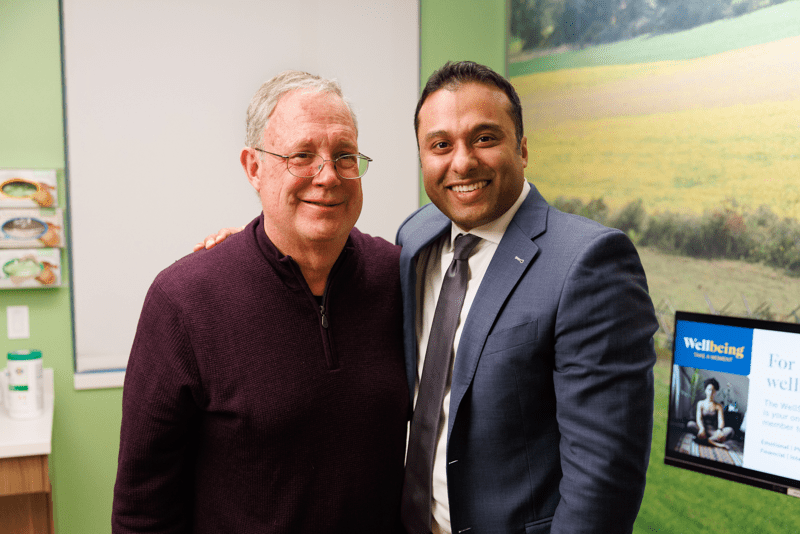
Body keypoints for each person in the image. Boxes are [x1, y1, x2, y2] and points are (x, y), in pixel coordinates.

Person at [201, 61, 659, 534]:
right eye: (441, 145)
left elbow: (604, 483)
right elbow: (329, 265)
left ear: (522, 148)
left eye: (484, 138)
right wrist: (255, 252)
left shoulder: (588, 263)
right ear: (423, 159)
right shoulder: (416, 239)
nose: (462, 162)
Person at [112, 71, 409, 533]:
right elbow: (143, 509)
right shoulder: (184, 301)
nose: (329, 176)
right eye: (302, 156)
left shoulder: (400, 278)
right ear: (254, 168)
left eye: (345, 156)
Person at [688, 377, 734, 448]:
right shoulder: (700, 403)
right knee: (690, 424)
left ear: (715, 392)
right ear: (705, 390)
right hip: (703, 430)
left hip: (714, 432)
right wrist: (701, 428)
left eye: (713, 390)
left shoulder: (718, 406)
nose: (711, 392)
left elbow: (721, 420)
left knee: (730, 430)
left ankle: (707, 441)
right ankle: (714, 443)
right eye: (709, 390)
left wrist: (719, 430)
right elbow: (699, 418)